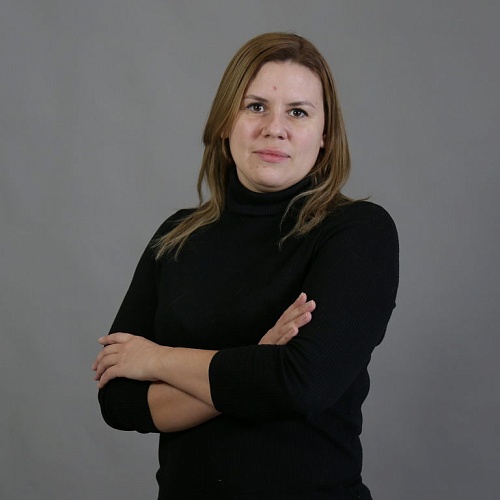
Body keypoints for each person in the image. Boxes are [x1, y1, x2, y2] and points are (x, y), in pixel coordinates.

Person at [92, 32, 399, 499]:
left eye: (298, 112)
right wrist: (259, 358)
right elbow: (119, 402)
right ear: (224, 123)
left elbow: (300, 385)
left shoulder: (357, 232)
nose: (275, 128)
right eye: (256, 106)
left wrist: (156, 360)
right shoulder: (176, 236)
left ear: (325, 136)